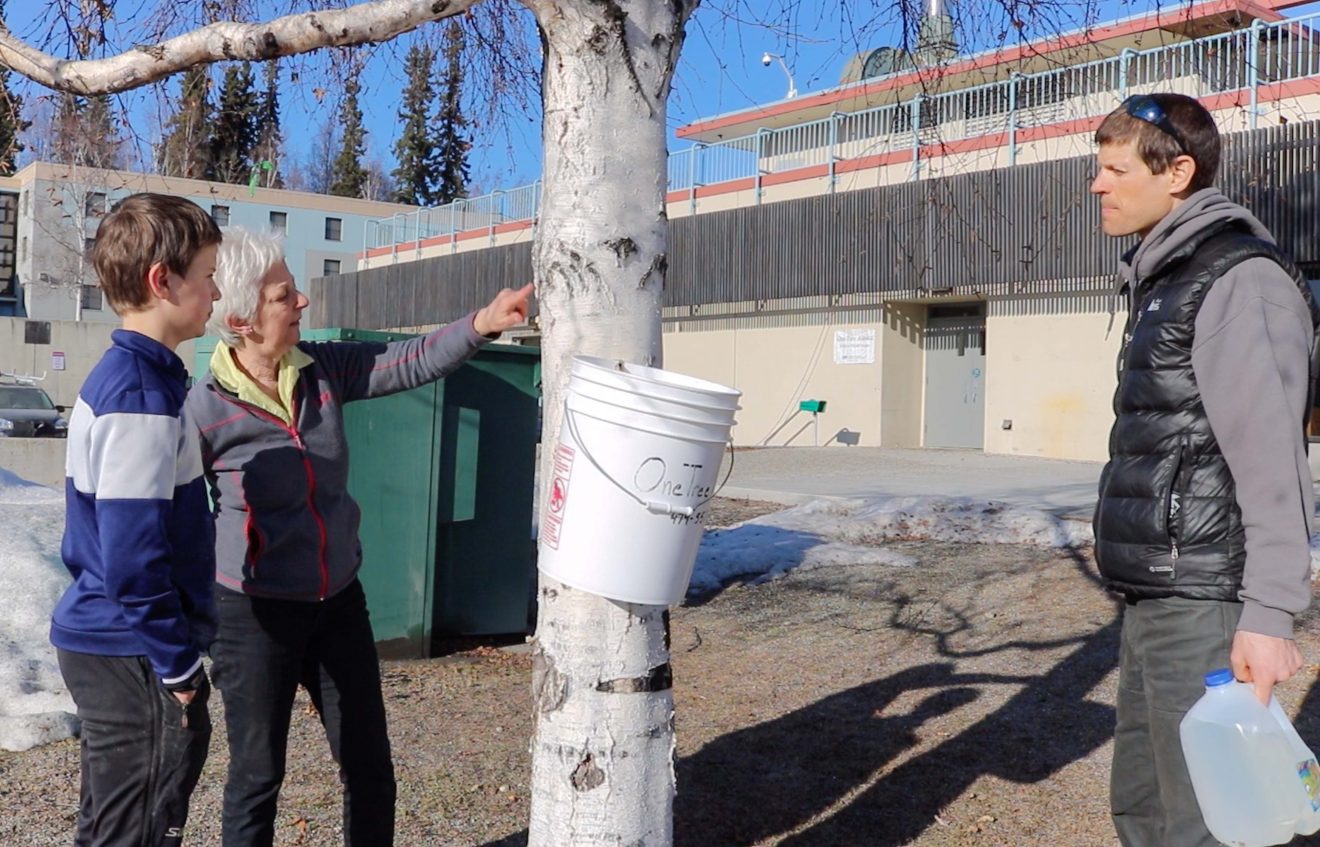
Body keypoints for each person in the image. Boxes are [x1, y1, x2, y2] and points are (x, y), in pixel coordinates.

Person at [185, 225, 532, 847]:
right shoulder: (203, 410)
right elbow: (174, 517)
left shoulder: (320, 369)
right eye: (283, 296)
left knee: (370, 767)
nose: (301, 302)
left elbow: (410, 360)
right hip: (253, 615)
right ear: (240, 320)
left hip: (337, 601)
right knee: (257, 777)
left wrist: (482, 323)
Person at [1090, 92, 1320, 846]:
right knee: (1145, 806)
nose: (1098, 184)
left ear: (1178, 173)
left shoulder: (1237, 280)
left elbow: (1272, 460)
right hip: (1156, 593)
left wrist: (1269, 614)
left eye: (1116, 169)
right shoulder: (1166, 276)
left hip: (1204, 597)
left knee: (1203, 822)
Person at [50, 193, 222, 846]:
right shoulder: (140, 394)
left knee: (112, 826)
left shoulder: (138, 379)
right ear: (162, 280)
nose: (215, 292)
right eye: (207, 276)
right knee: (139, 829)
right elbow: (132, 557)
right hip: (132, 649)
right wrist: (178, 666)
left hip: (117, 642)